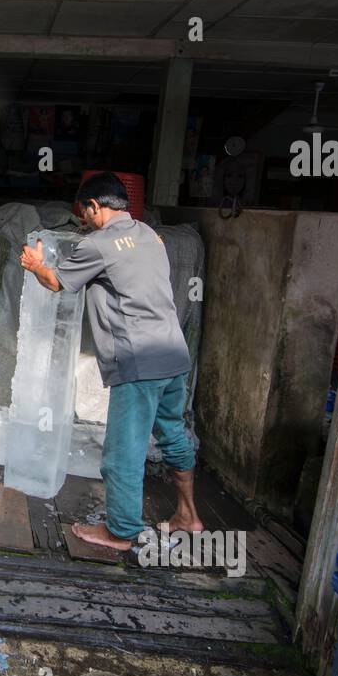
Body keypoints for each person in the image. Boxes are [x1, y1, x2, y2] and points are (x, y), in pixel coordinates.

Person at [19, 171, 201, 551]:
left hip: (138, 360)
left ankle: (122, 531)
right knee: (173, 434)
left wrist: (36, 264)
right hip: (172, 353)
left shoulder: (97, 244)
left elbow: (56, 283)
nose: (82, 220)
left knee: (123, 453)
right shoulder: (151, 235)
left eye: (84, 212)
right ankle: (188, 515)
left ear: (95, 206)